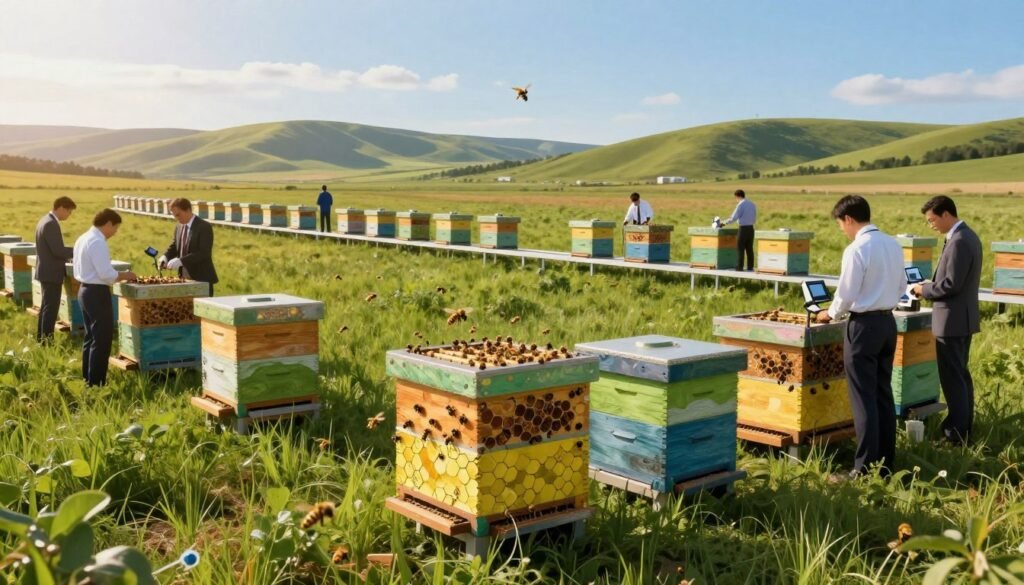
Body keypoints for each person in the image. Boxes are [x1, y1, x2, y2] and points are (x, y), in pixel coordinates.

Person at [816, 194, 906, 479]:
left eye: (841, 224)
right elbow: (903, 283)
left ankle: (863, 469)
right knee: (882, 394)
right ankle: (885, 463)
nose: (842, 230)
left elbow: (846, 294)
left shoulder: (856, 249)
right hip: (888, 324)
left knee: (863, 398)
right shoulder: (893, 244)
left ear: (849, 219)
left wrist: (829, 314)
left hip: (863, 327)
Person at [910, 195, 981, 445]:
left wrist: (924, 289)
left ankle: (955, 435)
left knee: (953, 380)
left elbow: (950, 285)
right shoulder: (966, 236)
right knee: (960, 377)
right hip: (961, 319)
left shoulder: (960, 241)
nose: (931, 226)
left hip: (952, 321)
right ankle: (962, 427)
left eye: (932, 221)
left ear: (946, 214)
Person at [73, 209, 137, 386]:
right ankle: (96, 383)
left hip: (84, 290)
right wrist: (126, 275)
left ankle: (88, 378)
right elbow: (106, 274)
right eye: (115, 228)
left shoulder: (83, 237)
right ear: (108, 223)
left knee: (90, 337)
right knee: (102, 340)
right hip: (96, 293)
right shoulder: (97, 241)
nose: (115, 233)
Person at [34, 196, 76, 343]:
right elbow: (57, 250)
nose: (68, 215)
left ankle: (41, 338)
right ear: (61, 208)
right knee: (50, 309)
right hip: (51, 273)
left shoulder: (44, 220)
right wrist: (77, 251)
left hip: (46, 271)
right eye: (69, 212)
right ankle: (46, 341)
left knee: (46, 307)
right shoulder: (51, 223)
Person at [160, 198, 218, 296]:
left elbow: (203, 253)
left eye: (178, 214)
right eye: (174, 215)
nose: (176, 218)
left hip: (201, 279)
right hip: (184, 278)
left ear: (188, 210)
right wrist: (165, 256)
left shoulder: (204, 227)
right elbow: (175, 246)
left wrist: (181, 261)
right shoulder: (179, 227)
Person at [721, 189, 757, 271]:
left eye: (735, 198)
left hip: (743, 228)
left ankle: (739, 267)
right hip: (751, 228)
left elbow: (733, 218)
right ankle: (750, 267)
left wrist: (723, 223)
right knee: (749, 248)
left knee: (740, 248)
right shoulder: (752, 204)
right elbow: (754, 217)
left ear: (737, 196)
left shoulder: (740, 205)